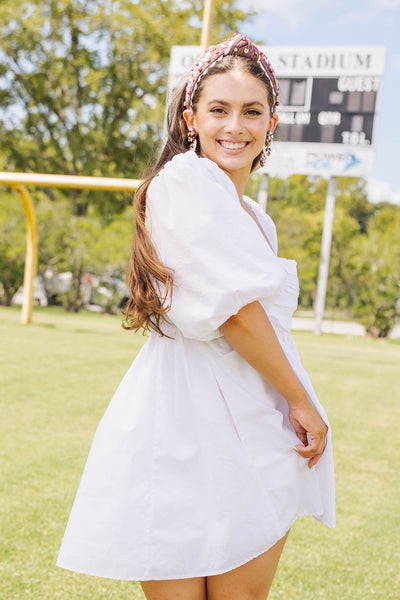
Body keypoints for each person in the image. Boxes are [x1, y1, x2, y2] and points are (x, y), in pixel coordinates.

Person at [57, 33, 335, 599]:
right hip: (183, 417)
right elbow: (233, 314)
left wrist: (286, 402)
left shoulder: (257, 218)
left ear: (271, 123)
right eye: (219, 110)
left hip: (253, 419)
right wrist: (301, 399)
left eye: (251, 111)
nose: (236, 125)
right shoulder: (183, 182)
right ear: (191, 119)